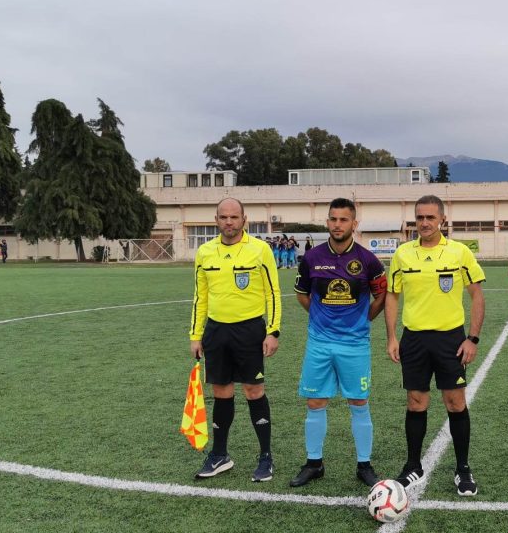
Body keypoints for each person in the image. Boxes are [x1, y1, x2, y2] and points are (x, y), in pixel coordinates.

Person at [385, 194, 486, 496]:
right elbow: (392, 295)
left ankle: (463, 468)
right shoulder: (403, 254)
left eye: (431, 217)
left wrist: (472, 338)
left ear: (443, 219)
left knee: (455, 402)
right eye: (420, 217)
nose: (425, 222)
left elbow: (477, 296)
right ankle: (413, 466)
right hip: (414, 339)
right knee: (416, 401)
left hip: (450, 339)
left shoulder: (459, 252)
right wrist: (392, 336)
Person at [290, 198, 387, 488]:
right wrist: (320, 317)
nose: (337, 224)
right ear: (327, 222)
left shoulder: (368, 260)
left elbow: (382, 296)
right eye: (333, 219)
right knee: (315, 401)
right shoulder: (312, 257)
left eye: (344, 220)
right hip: (320, 342)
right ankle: (314, 463)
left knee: (359, 401)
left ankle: (364, 465)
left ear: (354, 224)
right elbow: (302, 294)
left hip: (355, 344)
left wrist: (364, 320)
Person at [189, 197, 282, 482]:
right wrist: (195, 335)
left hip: (249, 331)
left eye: (234, 217)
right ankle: (220, 455)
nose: (229, 222)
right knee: (221, 391)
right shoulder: (205, 252)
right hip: (216, 332)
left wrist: (273, 331)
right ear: (216, 220)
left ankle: (265, 457)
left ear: (244, 219)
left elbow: (273, 293)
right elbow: (200, 297)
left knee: (253, 390)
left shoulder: (260, 250)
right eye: (223, 217)